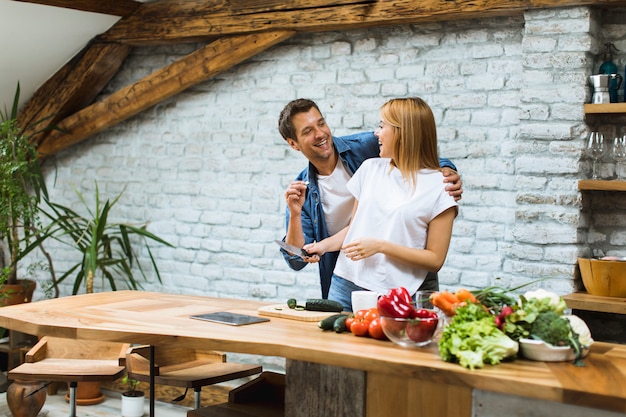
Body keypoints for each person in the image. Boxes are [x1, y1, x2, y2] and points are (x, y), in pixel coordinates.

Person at [278, 98, 462, 299]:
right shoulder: (304, 190)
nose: (320, 133)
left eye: (321, 123)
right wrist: (317, 242)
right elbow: (296, 259)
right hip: (347, 277)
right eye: (308, 131)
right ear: (293, 144)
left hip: (405, 283)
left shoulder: (366, 148)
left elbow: (415, 150)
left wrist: (445, 171)